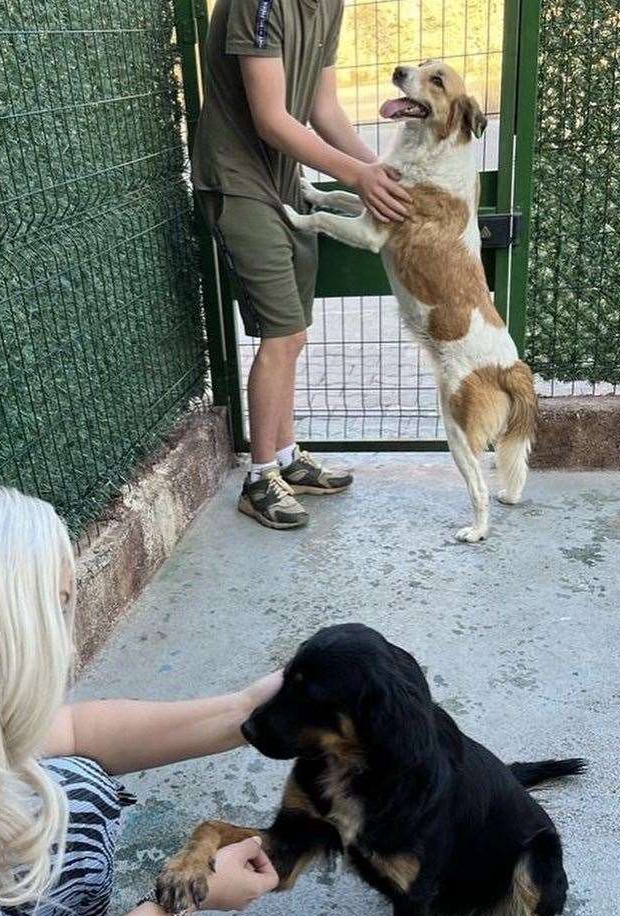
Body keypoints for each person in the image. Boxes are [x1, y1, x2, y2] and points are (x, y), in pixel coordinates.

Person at [0, 470, 282, 916]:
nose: (66, 643)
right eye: (54, 608)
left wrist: (247, 710)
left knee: (67, 778)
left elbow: (80, 731)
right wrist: (176, 909)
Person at [192, 0, 411, 530]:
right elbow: (269, 118)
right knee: (283, 334)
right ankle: (259, 477)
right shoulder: (258, 4)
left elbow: (325, 110)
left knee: (296, 332)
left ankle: (287, 459)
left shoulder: (328, 5)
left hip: (287, 184)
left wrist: (383, 173)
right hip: (237, 183)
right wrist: (358, 178)